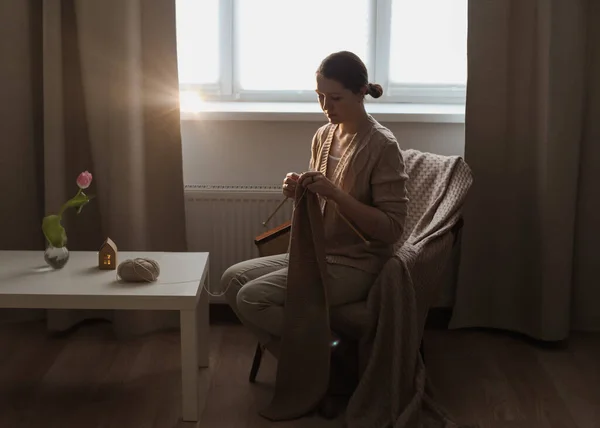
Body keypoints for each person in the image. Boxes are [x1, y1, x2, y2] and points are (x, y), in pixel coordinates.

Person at [221, 51, 409, 357]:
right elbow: (321, 205)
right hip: (319, 253)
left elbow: (391, 229)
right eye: (320, 96)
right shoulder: (324, 135)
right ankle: (304, 361)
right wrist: (299, 192)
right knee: (232, 279)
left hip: (358, 264)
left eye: (335, 98)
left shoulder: (382, 146)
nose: (325, 107)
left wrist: (335, 193)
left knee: (252, 298)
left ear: (361, 92)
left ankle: (321, 357)